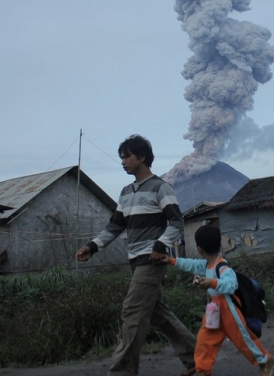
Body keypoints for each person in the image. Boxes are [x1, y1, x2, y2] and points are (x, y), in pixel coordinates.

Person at [75, 135, 196, 376]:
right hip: (135, 258)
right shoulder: (126, 193)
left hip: (152, 259)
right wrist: (93, 245)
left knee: (132, 310)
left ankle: (122, 371)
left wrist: (160, 246)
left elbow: (176, 222)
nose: (122, 162)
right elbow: (115, 226)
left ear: (142, 157)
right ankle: (197, 358)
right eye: (121, 157)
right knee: (157, 313)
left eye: (127, 156)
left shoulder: (161, 187)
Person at [159, 224, 274, 376]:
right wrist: (171, 261)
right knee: (205, 341)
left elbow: (231, 285)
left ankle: (266, 361)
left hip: (229, 311)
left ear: (199, 248)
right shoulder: (207, 265)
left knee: (244, 341)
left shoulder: (222, 267)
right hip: (213, 310)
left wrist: (212, 283)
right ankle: (203, 369)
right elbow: (191, 264)